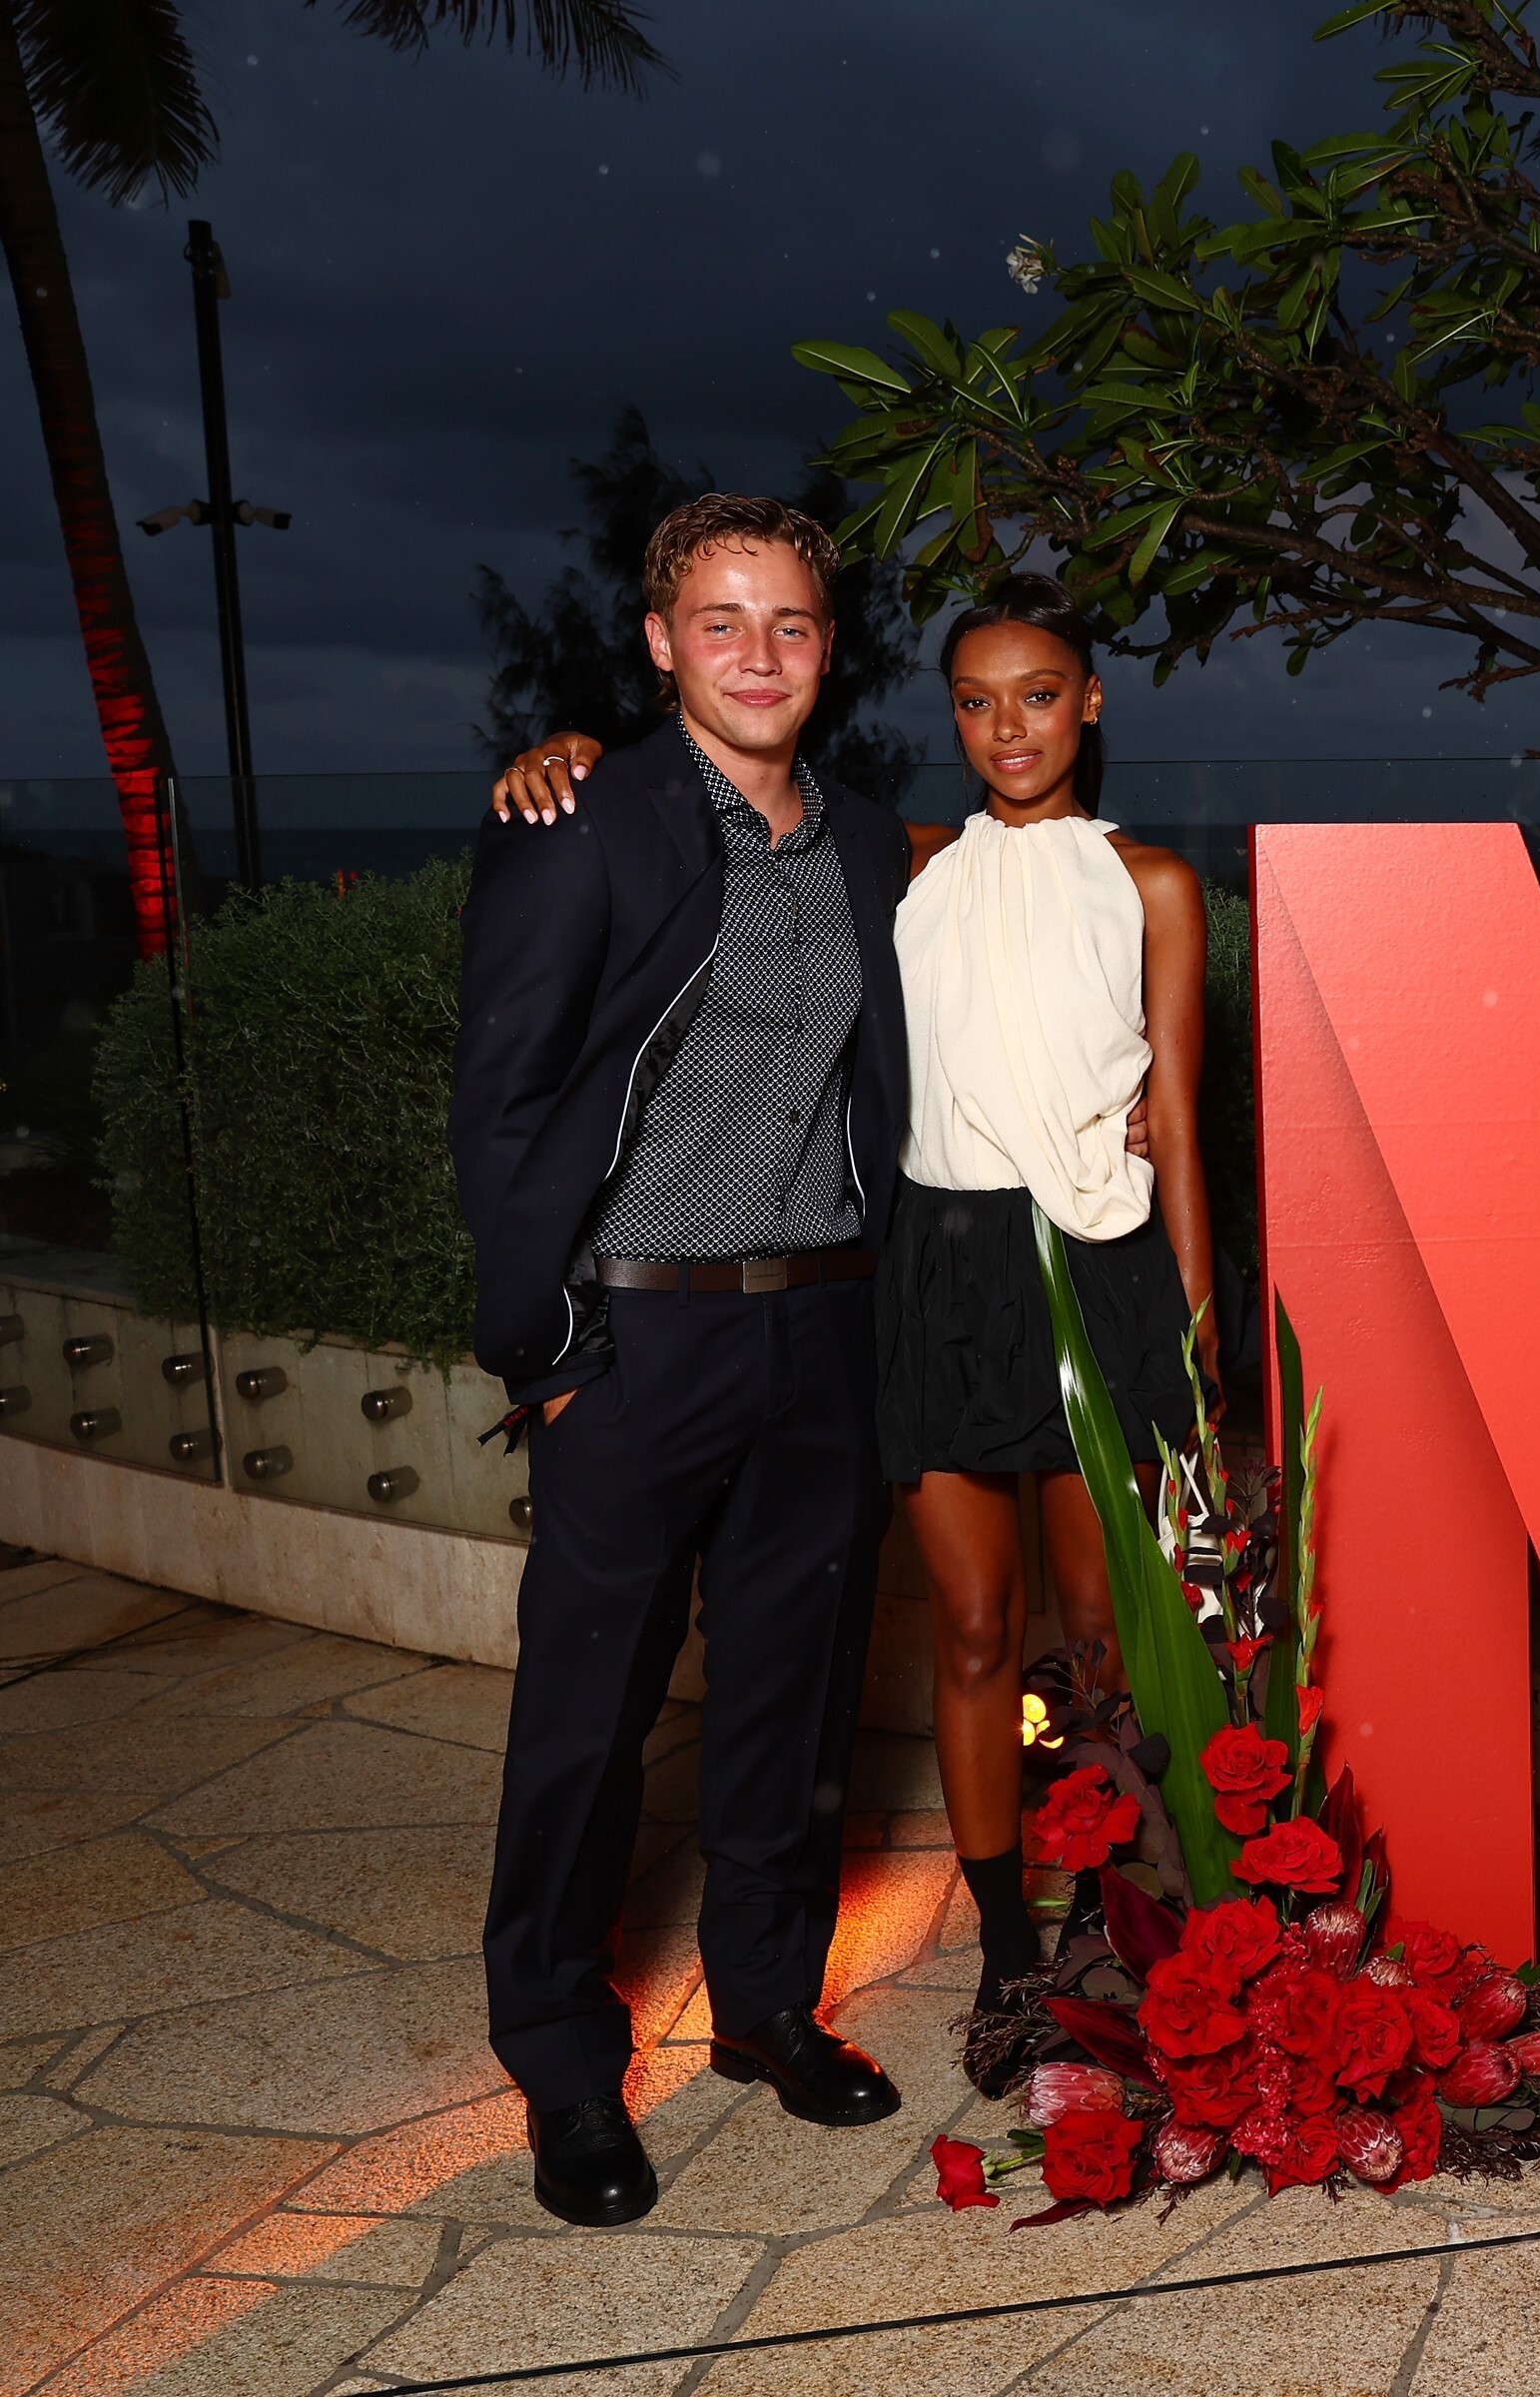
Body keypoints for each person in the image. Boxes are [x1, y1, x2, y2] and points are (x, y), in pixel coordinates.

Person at [491, 579, 1213, 2090]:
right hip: (864, 1289)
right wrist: (575, 751)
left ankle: (1075, 1937)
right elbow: (531, 1070)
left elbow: (1165, 1104)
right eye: (976, 699)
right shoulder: (885, 856)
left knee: (1041, 1651)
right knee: (935, 1634)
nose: (1008, 725)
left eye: (1039, 693)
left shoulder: (1036, 864)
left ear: (1089, 702)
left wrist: (1195, 1337)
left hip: (996, 1288)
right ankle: (986, 1959)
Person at [454, 496, 911, 2227]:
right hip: (637, 1337)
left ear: (828, 646)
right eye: (722, 621)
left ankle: (769, 2003)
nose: (759, 654)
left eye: (790, 622)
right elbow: (502, 1107)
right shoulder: (581, 821)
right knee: (588, 1721)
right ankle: (563, 2060)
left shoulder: (866, 843)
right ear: (660, 643)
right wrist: (552, 1350)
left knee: (794, 1697)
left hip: (822, 1323)